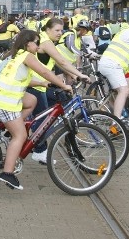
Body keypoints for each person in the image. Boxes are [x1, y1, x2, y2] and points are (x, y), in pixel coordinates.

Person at [0, 29, 73, 190]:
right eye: (36, 42)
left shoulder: (17, 55)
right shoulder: (27, 56)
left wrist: (43, 84)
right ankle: (7, 173)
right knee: (21, 135)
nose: (38, 46)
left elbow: (25, 79)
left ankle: (12, 128)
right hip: (3, 100)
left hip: (2, 97)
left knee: (32, 100)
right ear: (27, 43)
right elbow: (45, 71)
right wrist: (63, 85)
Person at [26, 18, 91, 164]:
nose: (60, 33)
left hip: (41, 84)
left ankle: (27, 135)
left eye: (61, 30)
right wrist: (80, 75)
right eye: (57, 30)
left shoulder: (45, 40)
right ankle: (39, 150)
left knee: (53, 108)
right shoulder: (45, 42)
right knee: (43, 119)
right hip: (36, 86)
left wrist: (74, 75)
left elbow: (55, 64)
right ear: (47, 29)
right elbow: (61, 61)